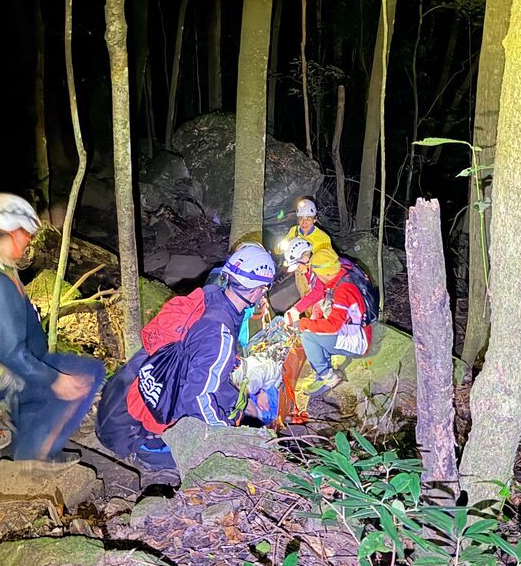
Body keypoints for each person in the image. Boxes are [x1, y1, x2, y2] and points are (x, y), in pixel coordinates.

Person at [0, 192, 104, 460]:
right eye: (26, 235)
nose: (28, 241)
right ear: (13, 233)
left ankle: (24, 426)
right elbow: (10, 353)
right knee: (89, 372)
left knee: (50, 379)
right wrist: (55, 380)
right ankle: (33, 459)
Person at [96, 243, 278, 472]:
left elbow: (200, 367)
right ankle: (149, 452)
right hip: (132, 433)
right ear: (256, 290)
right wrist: (227, 436)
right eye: (264, 289)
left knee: (231, 403)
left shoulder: (208, 298)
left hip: (117, 403)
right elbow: (198, 398)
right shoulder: (219, 333)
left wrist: (239, 401)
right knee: (219, 452)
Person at [283, 255, 373, 395]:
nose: (318, 280)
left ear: (326, 272)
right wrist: (311, 319)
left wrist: (304, 323)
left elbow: (333, 326)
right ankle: (325, 372)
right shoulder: (342, 279)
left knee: (308, 336)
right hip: (355, 330)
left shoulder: (343, 290)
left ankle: (328, 377)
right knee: (315, 332)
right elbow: (324, 301)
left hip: (357, 339)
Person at [274, 197, 338, 284]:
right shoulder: (294, 231)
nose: (304, 223)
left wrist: (308, 259)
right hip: (299, 274)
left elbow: (328, 262)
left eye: (308, 218)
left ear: (314, 219)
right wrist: (285, 245)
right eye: (301, 218)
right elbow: (277, 250)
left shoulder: (323, 238)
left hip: (316, 276)